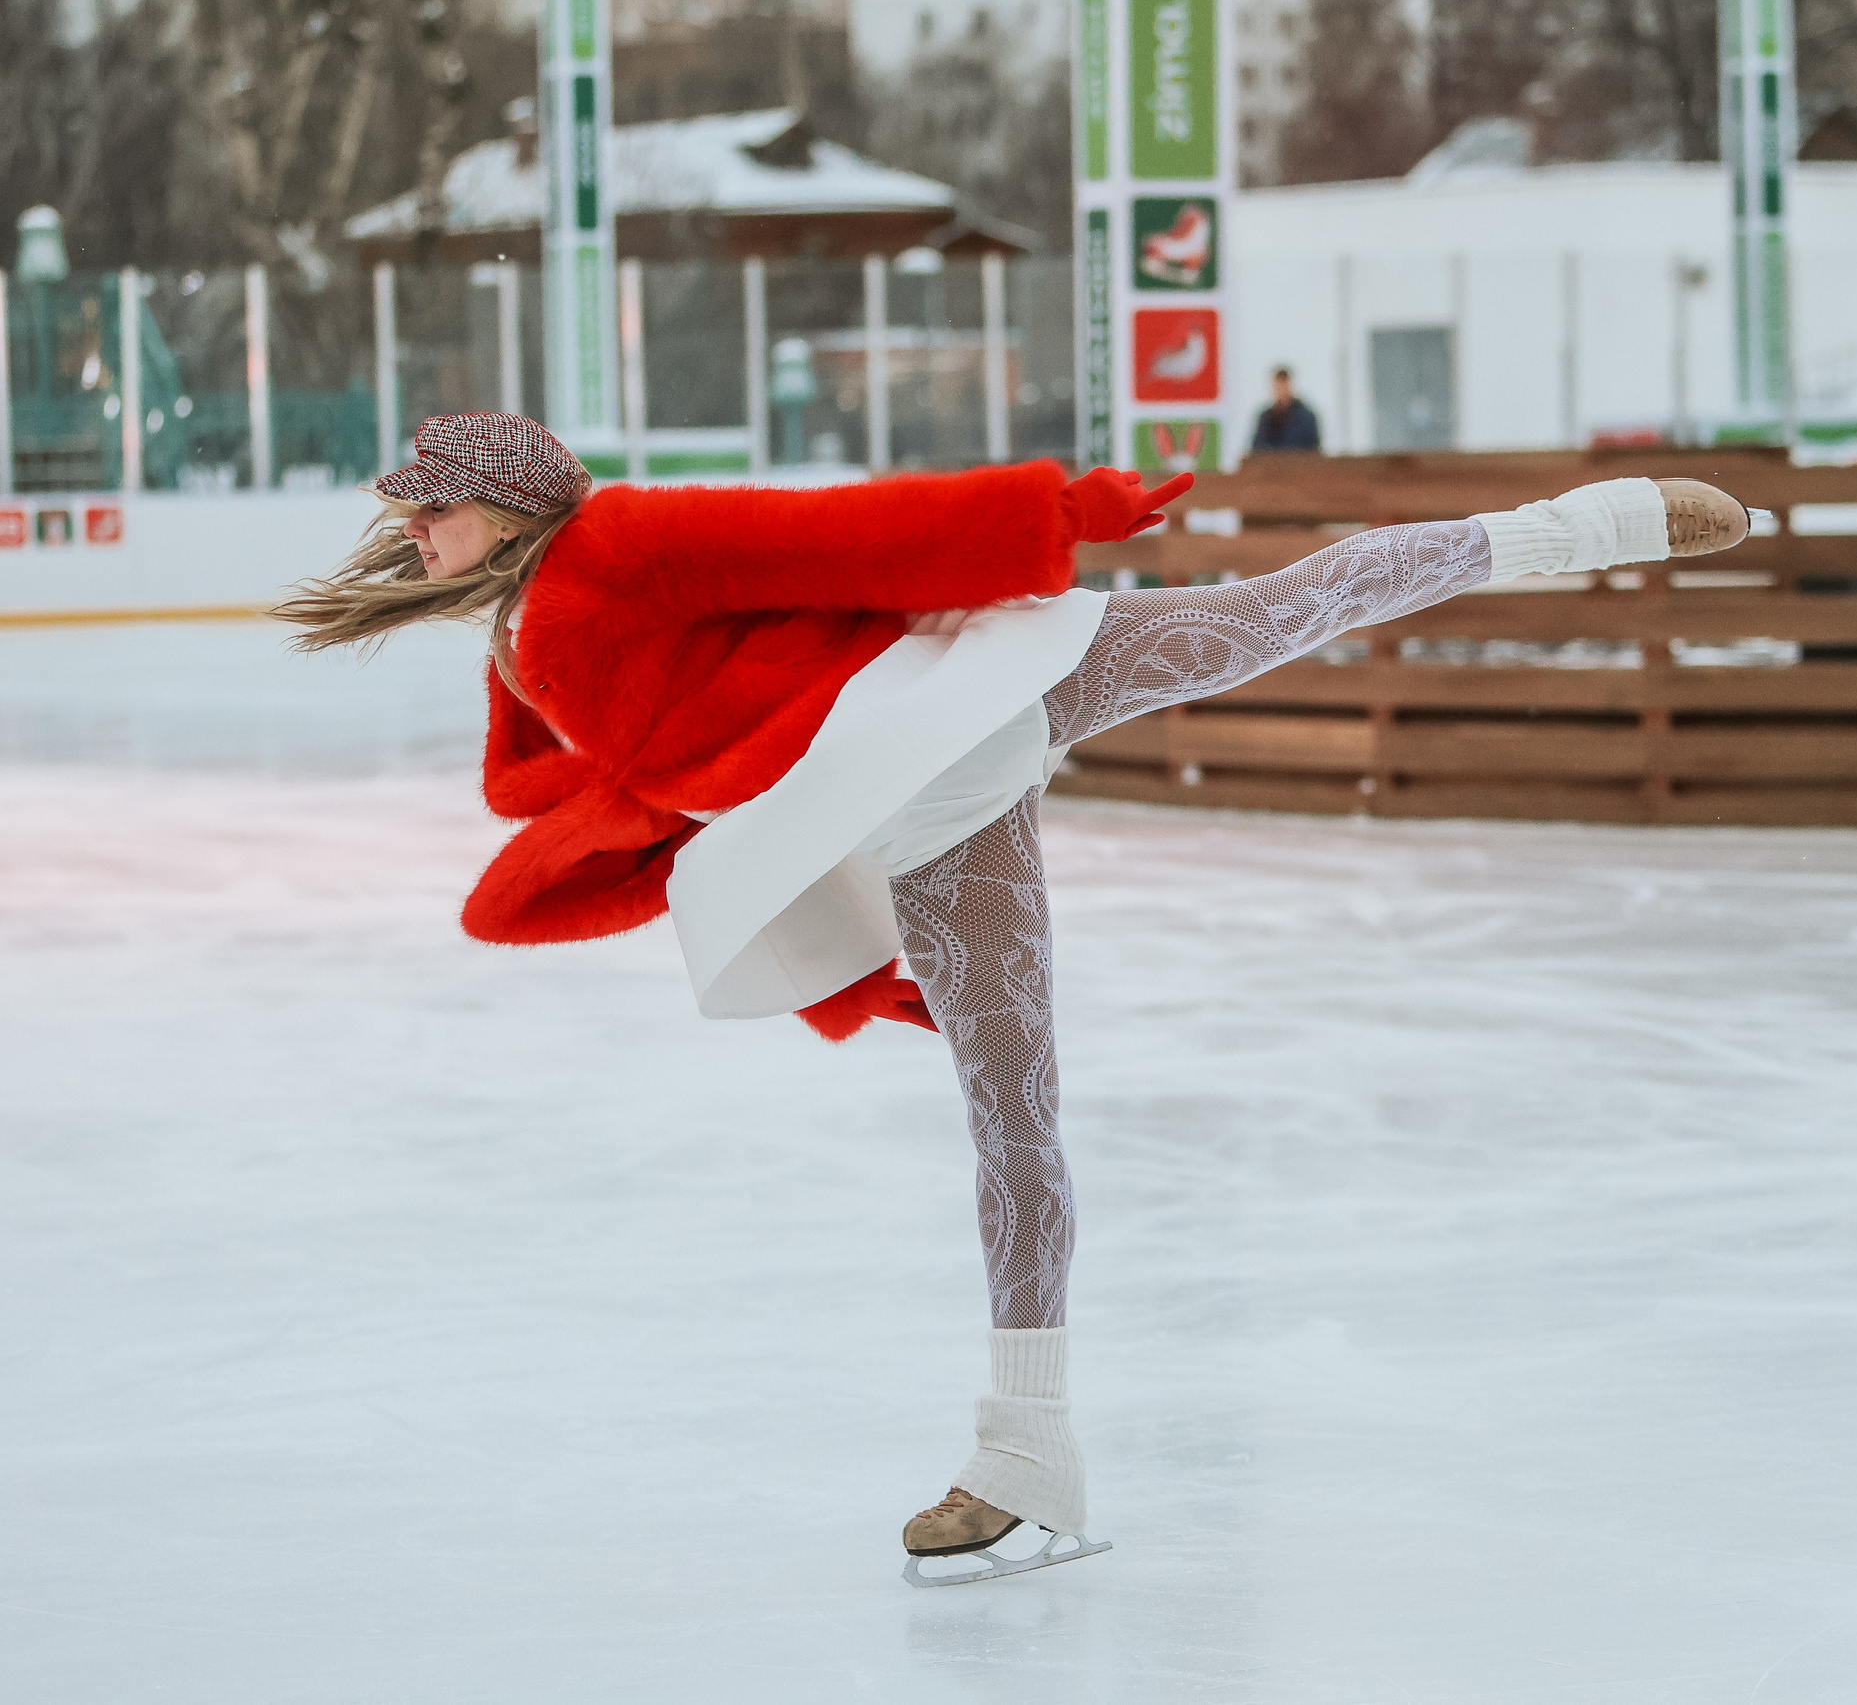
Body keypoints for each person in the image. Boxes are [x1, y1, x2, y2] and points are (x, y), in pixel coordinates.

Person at [273, 412, 1753, 1584]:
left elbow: (836, 535)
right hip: (922, 814)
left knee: (1276, 612)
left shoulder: (618, 540)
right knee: (1012, 1117)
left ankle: (1583, 525)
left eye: (433, 503)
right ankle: (1028, 1455)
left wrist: (1060, 511)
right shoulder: (519, 631)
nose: (412, 526)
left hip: (967, 697)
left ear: (511, 507)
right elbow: (665, 766)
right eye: (409, 509)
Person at [1250, 367, 1321, 452]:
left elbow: (1313, 450)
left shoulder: (1306, 418)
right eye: (1277, 388)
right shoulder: (1265, 418)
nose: (1280, 392)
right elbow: (1257, 448)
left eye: (1283, 387)